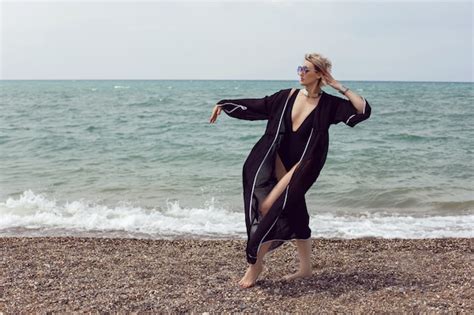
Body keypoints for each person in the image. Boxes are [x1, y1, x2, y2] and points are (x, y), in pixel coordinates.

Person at [209, 53, 371, 288]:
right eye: (300, 68)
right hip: (275, 162)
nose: (300, 72)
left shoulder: (329, 105)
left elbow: (362, 111)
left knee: (269, 209)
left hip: (302, 168)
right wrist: (224, 104)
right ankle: (305, 269)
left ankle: (255, 266)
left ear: (319, 74)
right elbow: (257, 106)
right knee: (296, 214)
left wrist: (337, 85)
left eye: (306, 69)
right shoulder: (286, 97)